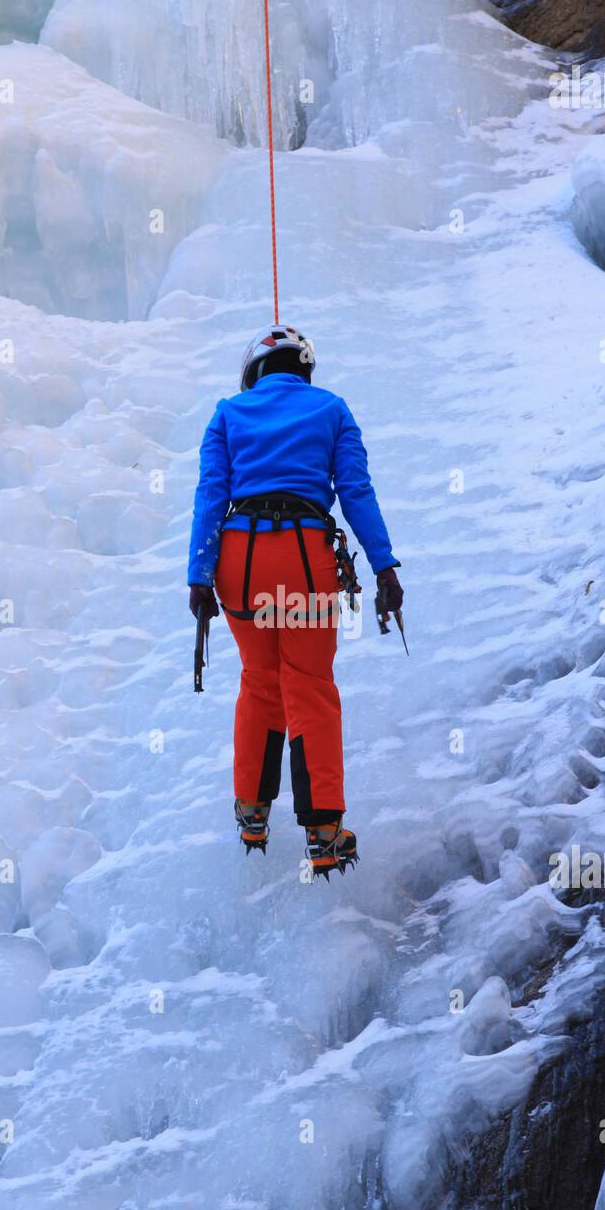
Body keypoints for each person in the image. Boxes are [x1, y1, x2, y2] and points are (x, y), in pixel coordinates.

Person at [187, 324, 402, 877]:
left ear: (254, 370)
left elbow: (211, 495)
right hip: (305, 558)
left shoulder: (227, 413)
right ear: (303, 368)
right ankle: (323, 833)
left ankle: (252, 814)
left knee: (260, 680)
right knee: (308, 684)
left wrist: (199, 579)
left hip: (240, 560)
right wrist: (383, 566)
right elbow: (355, 491)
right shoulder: (332, 409)